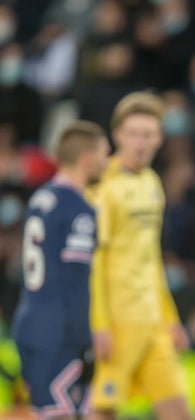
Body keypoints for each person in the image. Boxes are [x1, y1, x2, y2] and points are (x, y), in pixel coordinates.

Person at [86, 92, 193, 420]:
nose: (140, 142)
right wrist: (99, 324)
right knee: (103, 410)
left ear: (159, 138)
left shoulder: (152, 182)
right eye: (132, 134)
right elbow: (95, 261)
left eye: (147, 134)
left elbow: (151, 257)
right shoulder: (102, 186)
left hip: (153, 322)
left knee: (178, 410)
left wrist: (170, 317)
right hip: (119, 322)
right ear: (117, 134)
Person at [11, 120, 111, 419]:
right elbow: (75, 281)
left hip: (30, 321)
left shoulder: (41, 198)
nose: (108, 162)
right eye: (105, 154)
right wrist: (86, 340)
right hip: (59, 331)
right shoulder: (79, 210)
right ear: (87, 158)